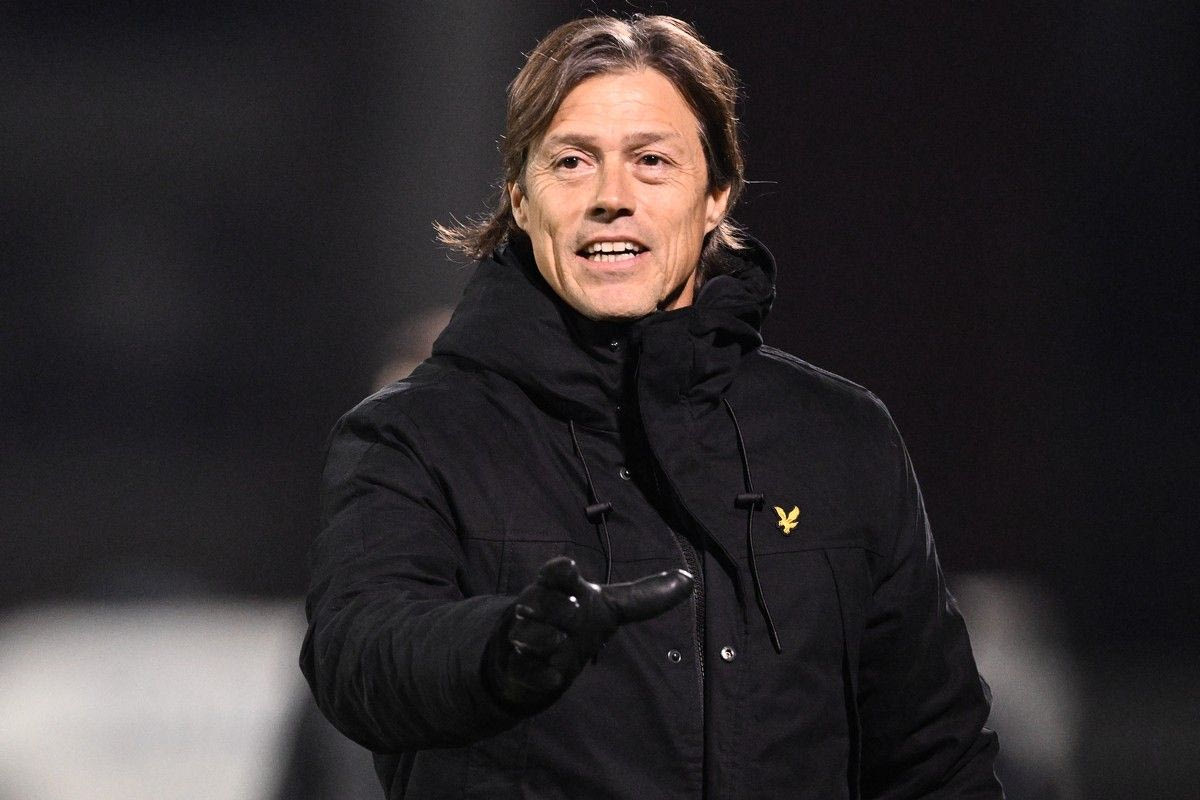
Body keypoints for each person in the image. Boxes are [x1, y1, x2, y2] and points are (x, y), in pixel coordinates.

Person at [300, 14, 1003, 799]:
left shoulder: (840, 438)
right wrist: (502, 649)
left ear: (717, 195)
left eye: (652, 161)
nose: (612, 198)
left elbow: (936, 756)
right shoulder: (414, 435)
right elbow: (358, 654)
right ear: (521, 201)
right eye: (572, 162)